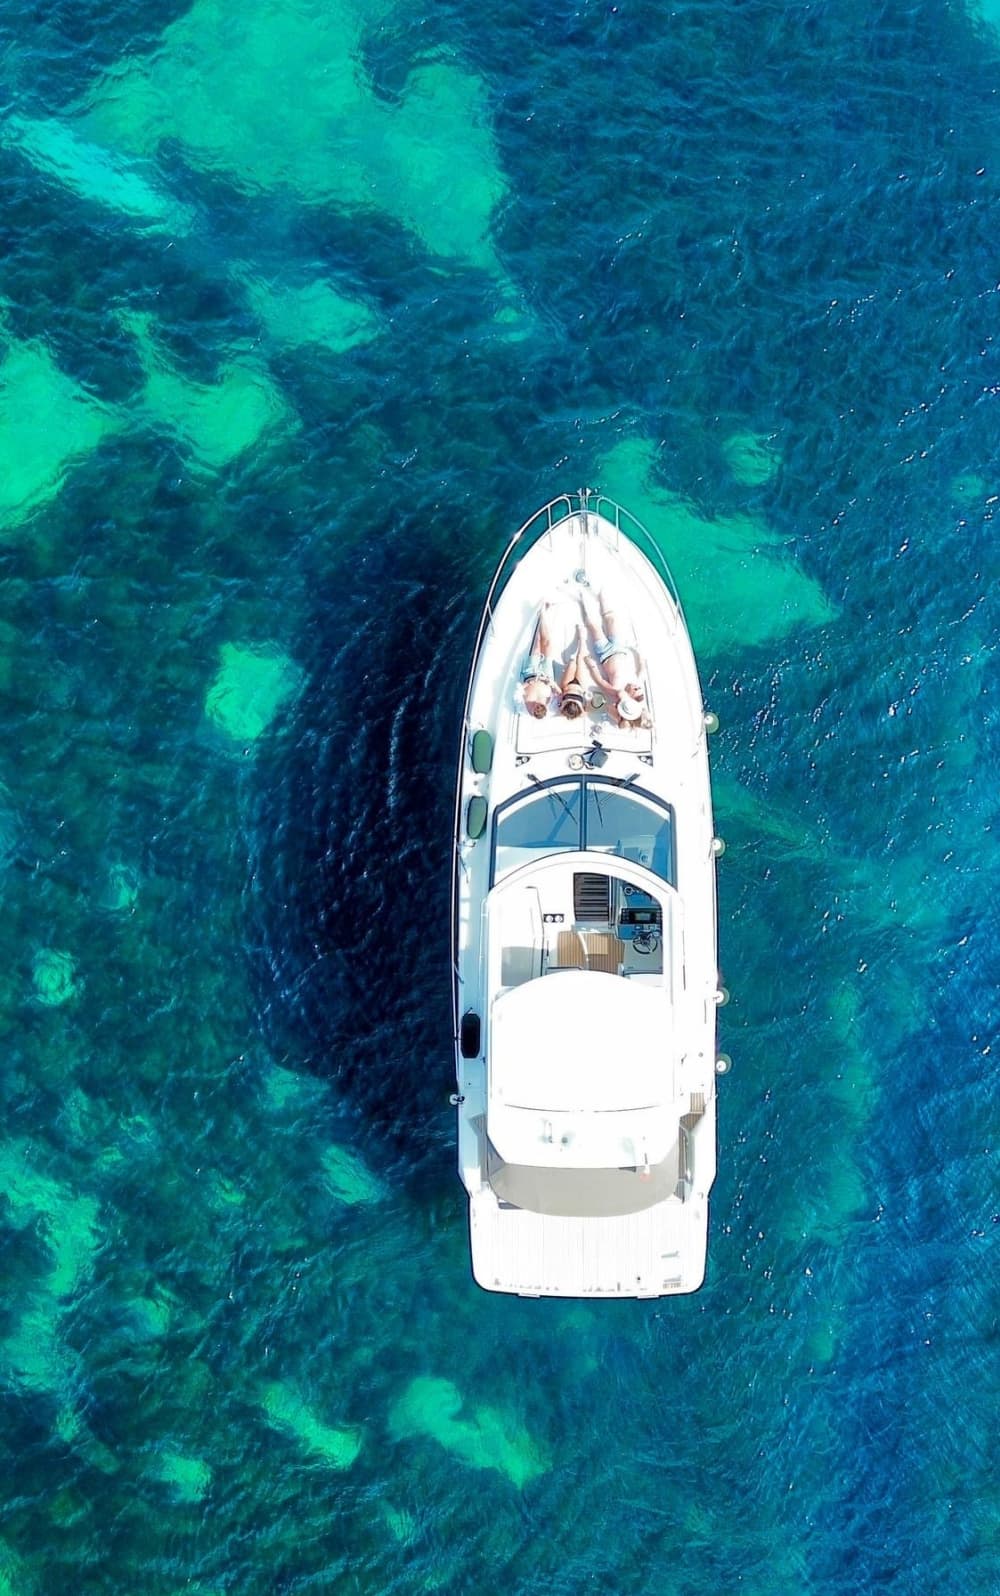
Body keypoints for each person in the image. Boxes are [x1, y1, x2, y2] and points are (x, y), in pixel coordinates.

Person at [578, 587, 650, 727]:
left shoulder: (616, 690)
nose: (635, 687)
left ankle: (582, 601)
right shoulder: (637, 681)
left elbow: (600, 681)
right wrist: (639, 653)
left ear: (630, 696)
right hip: (620, 648)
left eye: (635, 690)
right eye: (637, 688)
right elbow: (642, 668)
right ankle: (600, 592)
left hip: (605, 653)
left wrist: (591, 665)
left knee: (593, 626)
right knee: (611, 618)